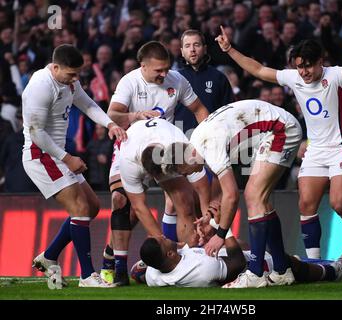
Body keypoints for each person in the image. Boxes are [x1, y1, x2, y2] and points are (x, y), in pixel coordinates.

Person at [215, 26, 342, 265]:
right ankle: (316, 263)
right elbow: (258, 70)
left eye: (308, 66)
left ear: (321, 62)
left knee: (339, 203)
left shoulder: (335, 76)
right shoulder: (294, 77)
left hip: (341, 147)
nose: (303, 72)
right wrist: (229, 50)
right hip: (315, 150)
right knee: (306, 205)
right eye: (299, 66)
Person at [101, 40, 209, 286]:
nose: (164, 74)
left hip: (166, 148)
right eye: (158, 70)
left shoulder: (177, 80)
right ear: (143, 66)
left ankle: (192, 258)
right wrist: (135, 116)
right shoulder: (130, 81)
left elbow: (199, 109)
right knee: (123, 202)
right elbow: (112, 114)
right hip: (130, 146)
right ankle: (116, 263)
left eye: (166, 69)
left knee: (185, 202)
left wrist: (206, 138)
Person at [161, 99, 302, 288]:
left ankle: (255, 273)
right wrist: (211, 218)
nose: (187, 175)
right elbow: (222, 192)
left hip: (281, 129)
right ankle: (282, 271)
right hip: (272, 128)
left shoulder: (209, 147)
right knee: (262, 203)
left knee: (253, 196)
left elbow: (231, 195)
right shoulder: (196, 143)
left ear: (183, 160)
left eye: (183, 171)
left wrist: (220, 235)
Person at [23, 44, 127, 289]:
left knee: (90, 208)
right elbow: (36, 133)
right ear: (55, 67)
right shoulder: (40, 86)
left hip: (58, 153)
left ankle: (49, 257)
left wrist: (110, 123)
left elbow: (88, 104)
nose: (76, 79)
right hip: (41, 155)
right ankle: (87, 276)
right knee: (79, 207)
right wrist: (67, 157)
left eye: (78, 74)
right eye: (71, 74)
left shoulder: (68, 81)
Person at [136, 228, 342, 288]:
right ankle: (332, 271)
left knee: (242, 245)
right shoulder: (201, 269)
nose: (165, 236)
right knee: (290, 265)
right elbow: (238, 263)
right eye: (163, 240)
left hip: (223, 260)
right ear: (169, 254)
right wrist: (222, 230)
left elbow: (140, 272)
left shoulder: (154, 274)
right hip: (246, 270)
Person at [118, 118, 210, 252]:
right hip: (134, 146)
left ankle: (192, 254)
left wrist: (207, 216)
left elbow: (202, 187)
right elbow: (139, 207)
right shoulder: (128, 162)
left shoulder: (177, 144)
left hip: (166, 144)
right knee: (123, 203)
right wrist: (162, 243)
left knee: (186, 203)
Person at [174, 29, 234, 133]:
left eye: (196, 45)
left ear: (205, 49)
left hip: (212, 137)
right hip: (181, 139)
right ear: (182, 52)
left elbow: (229, 113)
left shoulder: (219, 77)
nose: (192, 49)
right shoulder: (174, 78)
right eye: (187, 46)